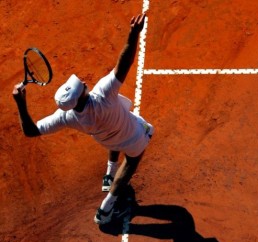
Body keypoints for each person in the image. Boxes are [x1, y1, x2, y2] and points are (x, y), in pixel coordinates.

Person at [12, 13, 153, 225]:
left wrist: (21, 104)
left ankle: (109, 173)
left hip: (105, 138)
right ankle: (107, 207)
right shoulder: (103, 95)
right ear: (82, 95)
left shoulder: (67, 117)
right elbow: (124, 63)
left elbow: (31, 131)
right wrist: (133, 34)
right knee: (132, 162)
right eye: (83, 86)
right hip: (130, 135)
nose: (85, 82)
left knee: (114, 135)